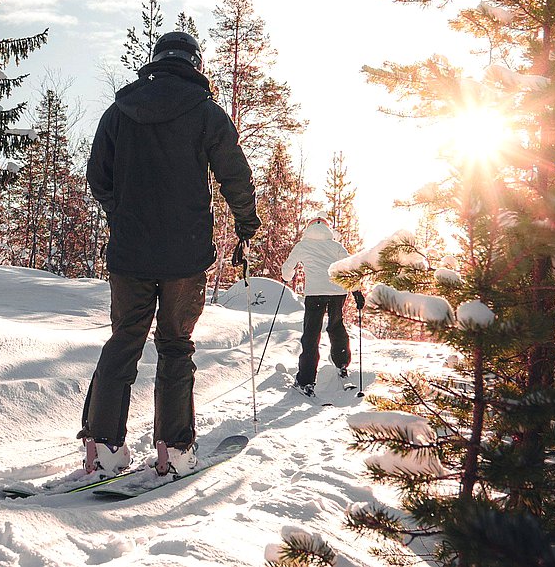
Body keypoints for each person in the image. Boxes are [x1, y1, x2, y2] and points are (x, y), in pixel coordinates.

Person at [80, 31, 260, 478]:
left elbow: (97, 176)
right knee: (175, 346)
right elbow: (234, 174)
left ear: (155, 61)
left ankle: (102, 446)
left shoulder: (119, 112)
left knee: (124, 340)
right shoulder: (206, 113)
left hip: (129, 254)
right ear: (195, 64)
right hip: (184, 257)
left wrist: (121, 211)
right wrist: (245, 224)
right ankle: (174, 449)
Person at [280, 216, 364, 397]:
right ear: (328, 228)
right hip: (337, 292)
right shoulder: (335, 246)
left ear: (308, 228)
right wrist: (357, 292)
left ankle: (306, 380)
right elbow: (350, 268)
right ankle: (341, 365)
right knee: (336, 326)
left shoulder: (303, 245)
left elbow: (287, 270)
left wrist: (287, 276)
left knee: (311, 333)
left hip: (315, 293)